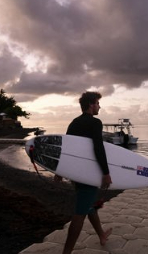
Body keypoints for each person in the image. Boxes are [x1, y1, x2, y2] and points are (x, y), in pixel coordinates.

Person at [56, 91, 112, 254]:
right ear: (91, 105)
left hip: (76, 173)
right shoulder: (95, 123)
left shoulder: (74, 122)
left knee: (88, 204)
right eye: (98, 103)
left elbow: (67, 147)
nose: (99, 106)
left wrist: (60, 170)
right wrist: (106, 173)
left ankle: (101, 234)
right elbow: (98, 148)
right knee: (80, 212)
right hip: (88, 172)